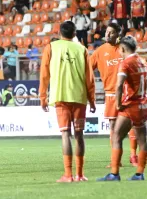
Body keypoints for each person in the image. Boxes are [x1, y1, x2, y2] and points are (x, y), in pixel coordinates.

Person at [97, 36, 147, 181]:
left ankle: (114, 174)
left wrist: (118, 104)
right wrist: (146, 95)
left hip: (131, 106)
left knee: (116, 136)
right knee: (142, 140)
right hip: (144, 106)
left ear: (123, 48)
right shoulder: (142, 61)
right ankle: (139, 174)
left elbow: (119, 85)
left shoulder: (125, 63)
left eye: (120, 49)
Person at [39, 21, 95, 182]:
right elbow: (89, 77)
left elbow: (44, 75)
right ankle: (80, 174)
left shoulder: (51, 48)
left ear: (59, 33)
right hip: (79, 96)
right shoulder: (82, 49)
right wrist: (92, 100)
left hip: (60, 96)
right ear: (75, 33)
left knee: (65, 134)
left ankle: (68, 174)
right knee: (79, 135)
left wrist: (43, 97)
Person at [90, 23, 139, 168]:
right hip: (111, 94)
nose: (107, 35)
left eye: (111, 32)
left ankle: (133, 155)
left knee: (133, 125)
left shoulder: (124, 49)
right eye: (106, 32)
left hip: (127, 93)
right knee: (113, 127)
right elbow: (87, 68)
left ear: (118, 33)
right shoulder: (100, 51)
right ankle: (116, 160)